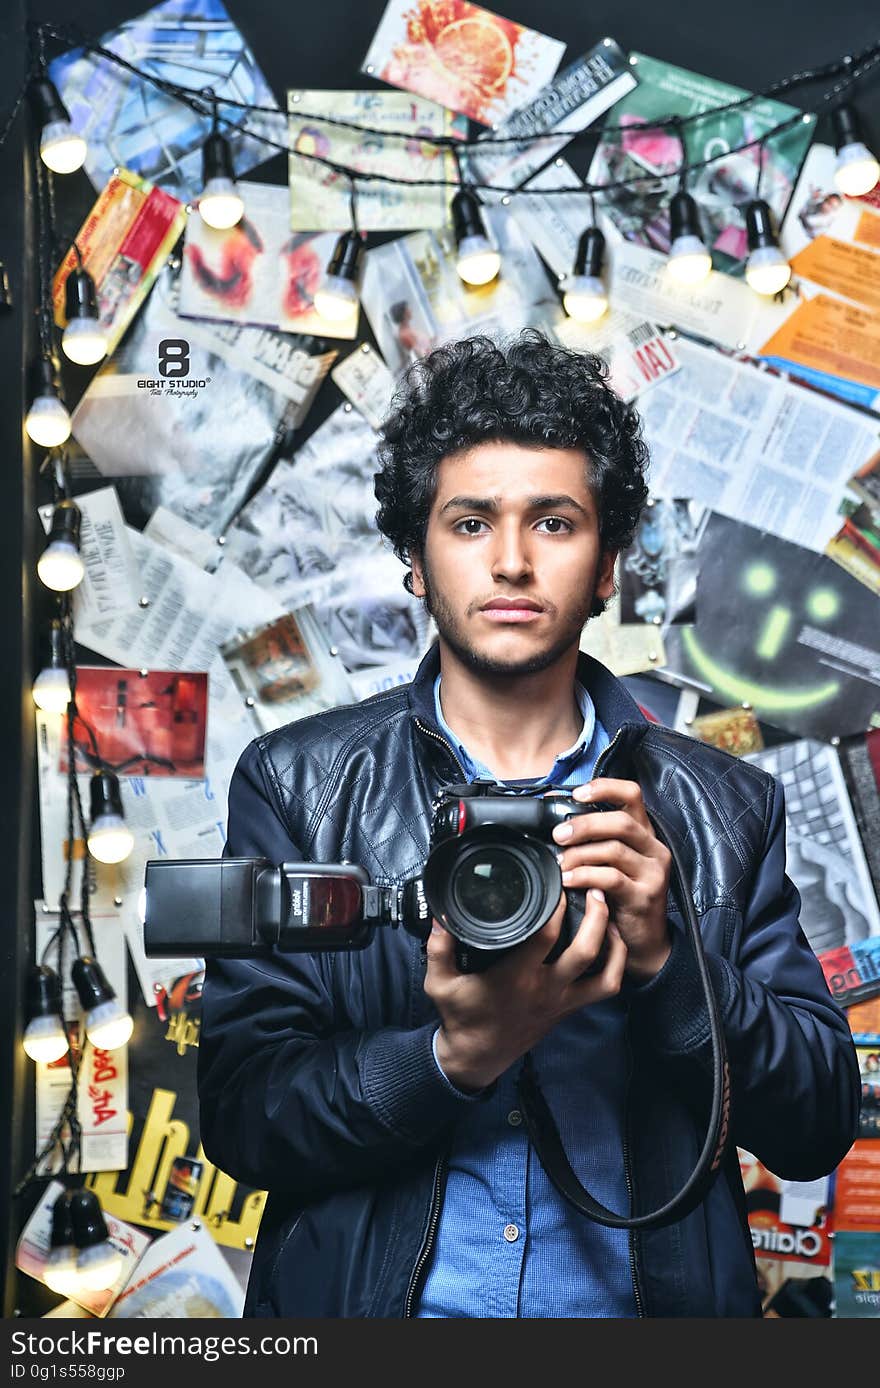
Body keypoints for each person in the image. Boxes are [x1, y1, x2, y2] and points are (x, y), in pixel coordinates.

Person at [198, 330, 860, 1318]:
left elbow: (814, 1122)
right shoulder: (301, 784)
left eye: (553, 522)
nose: (509, 560)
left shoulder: (723, 807)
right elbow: (246, 1117)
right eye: (469, 523)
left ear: (607, 567)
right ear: (415, 561)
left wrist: (671, 963)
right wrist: (453, 1055)